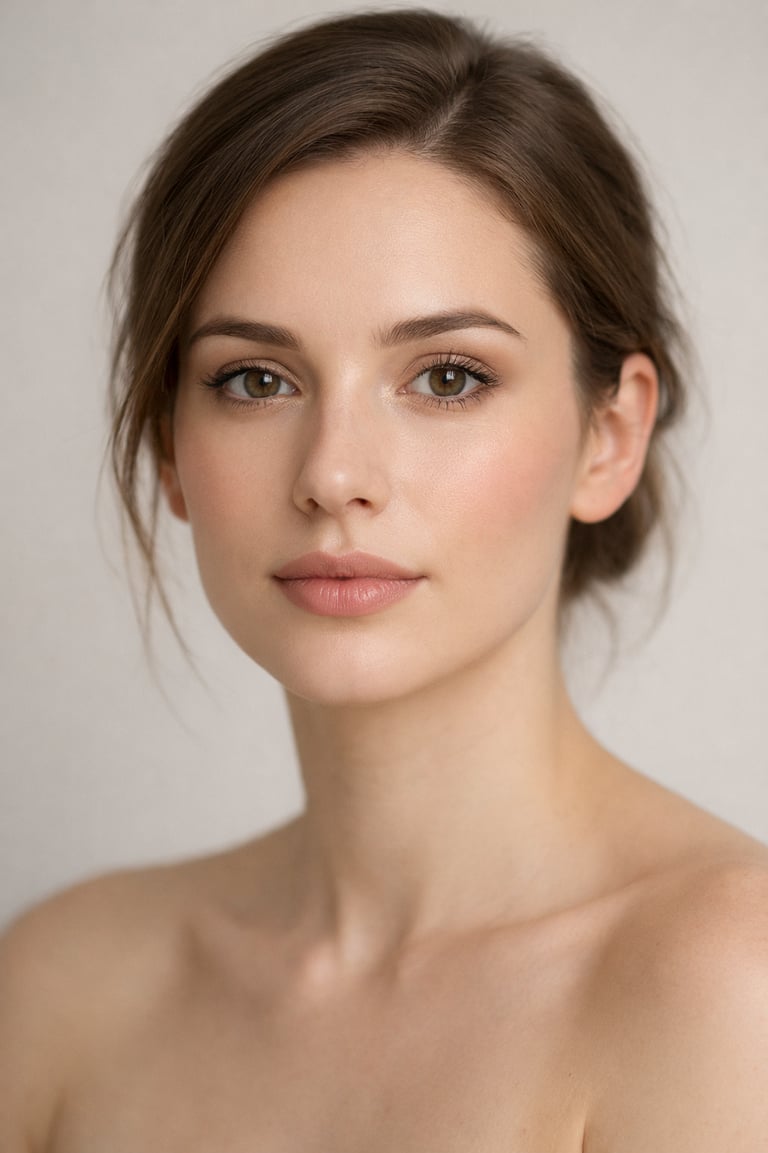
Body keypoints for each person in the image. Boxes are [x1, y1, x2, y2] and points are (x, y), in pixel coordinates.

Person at [1, 9, 766, 1150]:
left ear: (609, 436)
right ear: (170, 445)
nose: (334, 474)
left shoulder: (729, 988)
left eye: (448, 376)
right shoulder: (62, 984)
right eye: (255, 379)